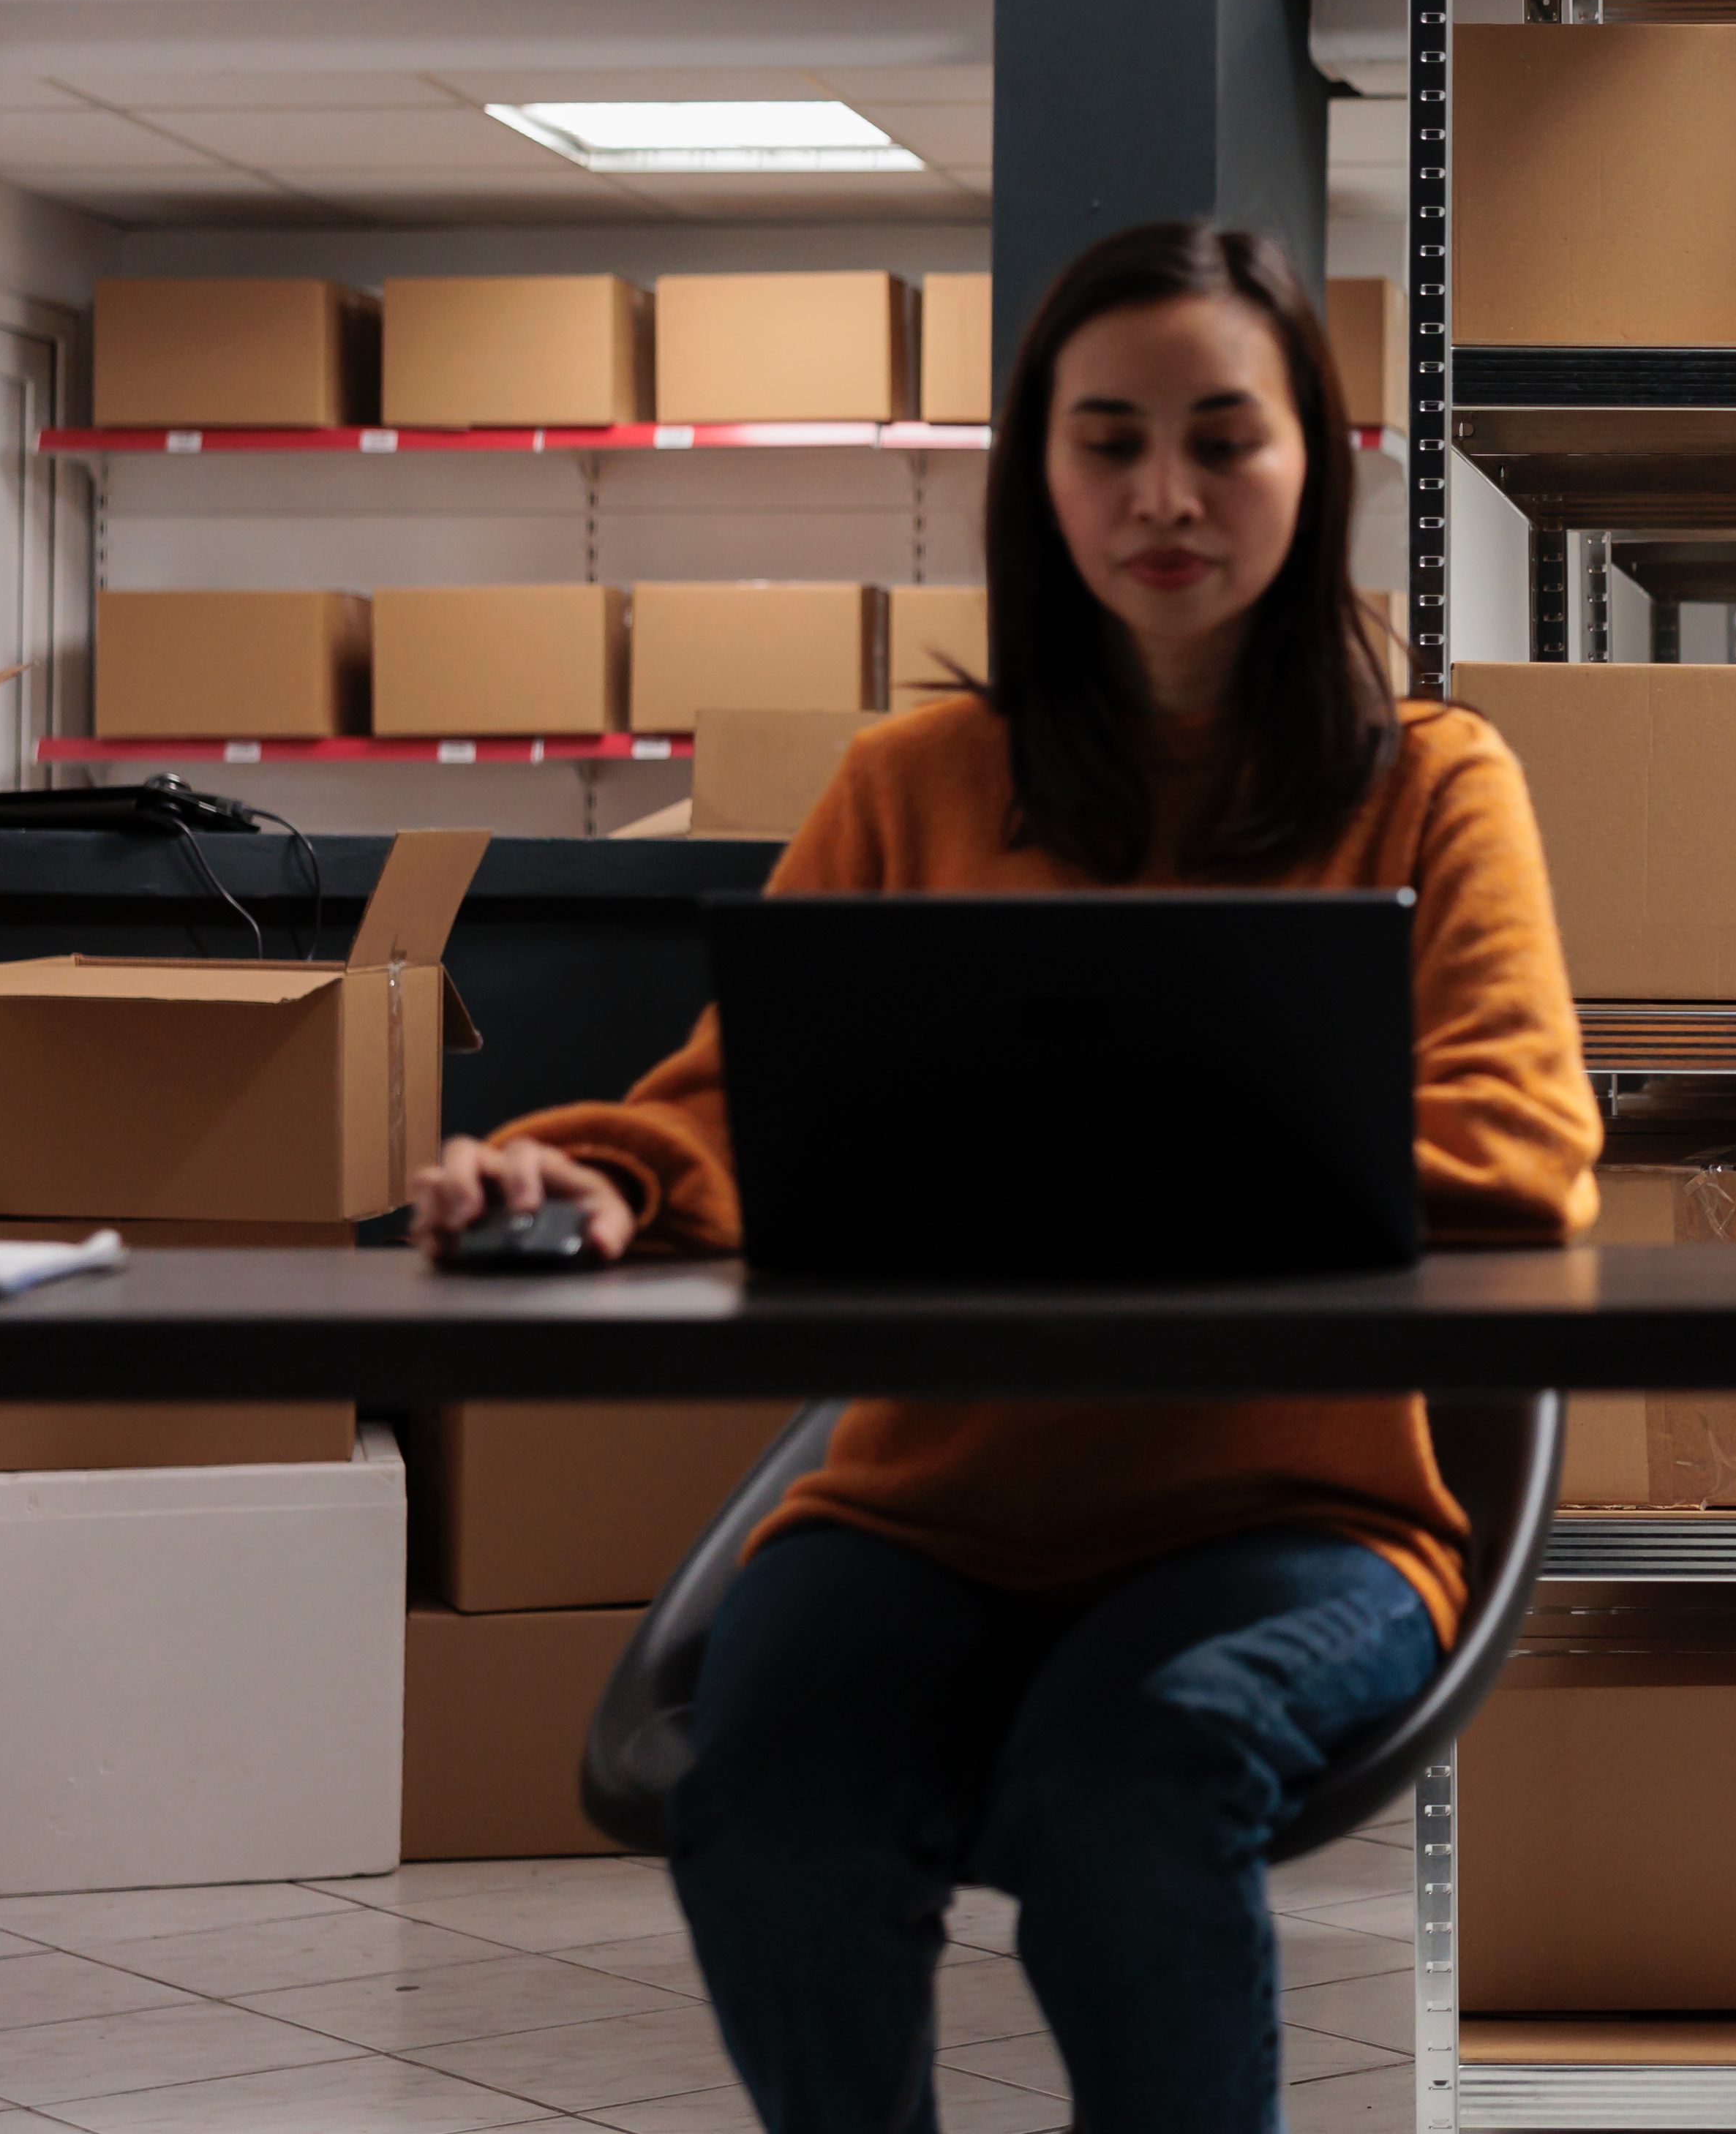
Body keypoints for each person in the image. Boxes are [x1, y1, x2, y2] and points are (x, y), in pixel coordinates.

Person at [405, 222, 1603, 2134]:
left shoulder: (1433, 783)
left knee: (1135, 1786)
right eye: (1105, 438)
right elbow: (735, 1107)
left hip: (1294, 1511)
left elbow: (1523, 1144)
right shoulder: (915, 784)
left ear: (1322, 459)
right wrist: (593, 1171)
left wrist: (1061, 1156)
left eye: (1225, 438)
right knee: (770, 1803)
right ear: (1036, 472)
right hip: (922, 1511)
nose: (1163, 495)